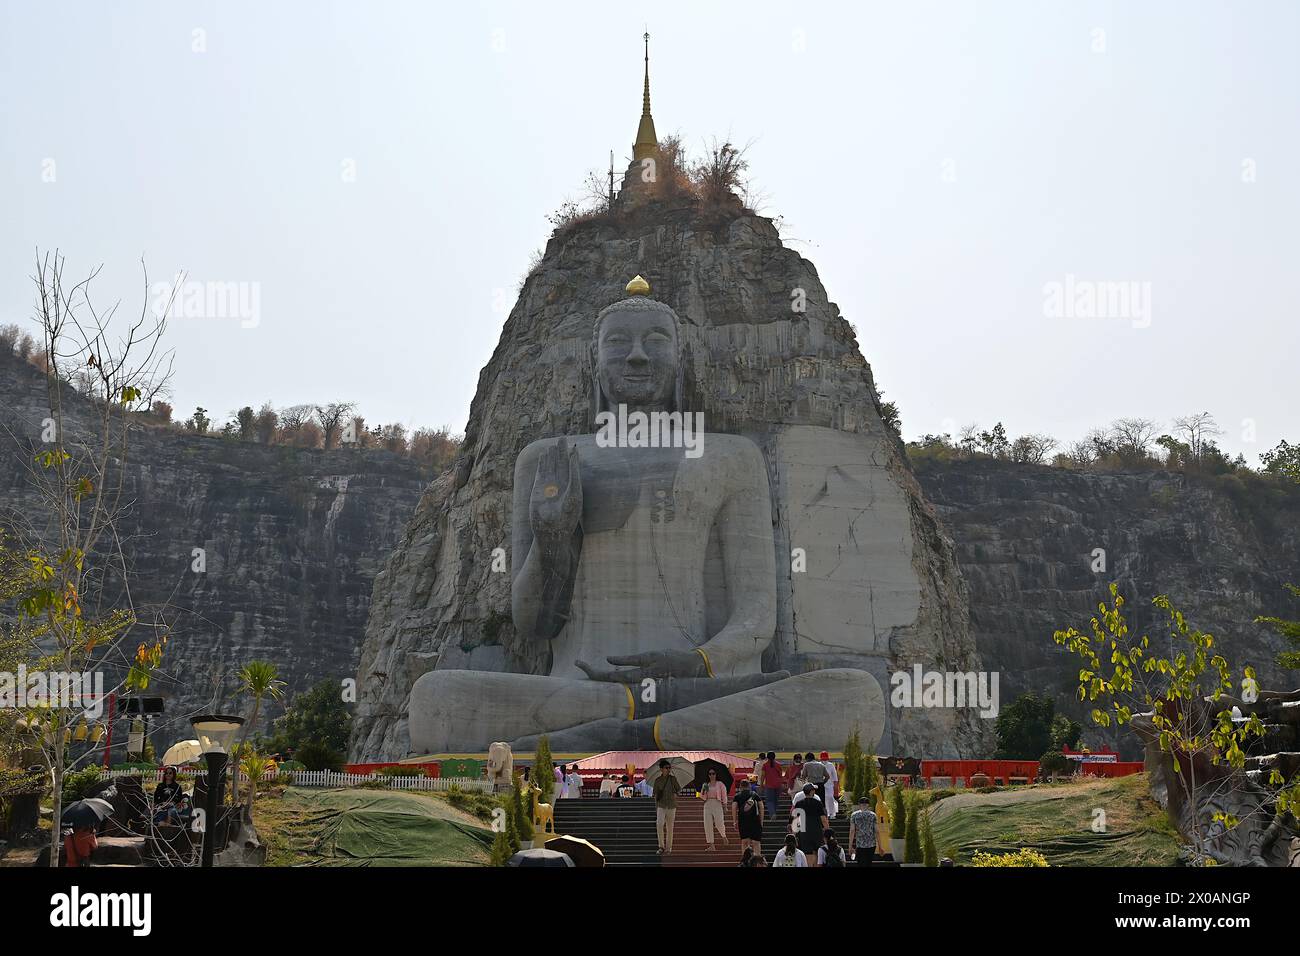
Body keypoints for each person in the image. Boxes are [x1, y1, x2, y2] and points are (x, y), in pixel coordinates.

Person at [792, 783, 827, 857]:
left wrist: (793, 834)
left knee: (808, 854)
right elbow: (823, 819)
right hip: (817, 831)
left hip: (804, 832)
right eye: (814, 790)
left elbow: (795, 821)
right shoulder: (818, 803)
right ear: (811, 792)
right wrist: (827, 831)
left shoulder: (799, 804)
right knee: (818, 854)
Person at [652, 759, 678, 855]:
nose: (668, 769)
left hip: (671, 805)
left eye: (669, 767)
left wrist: (675, 793)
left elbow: (678, 789)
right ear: (661, 769)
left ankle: (668, 847)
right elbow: (655, 794)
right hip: (661, 805)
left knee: (670, 827)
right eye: (666, 768)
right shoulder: (657, 780)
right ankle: (661, 846)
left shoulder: (673, 779)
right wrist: (656, 806)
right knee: (659, 824)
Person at [733, 778, 764, 855]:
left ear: (740, 786)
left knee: (745, 842)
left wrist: (734, 821)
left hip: (743, 821)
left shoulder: (737, 796)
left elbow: (734, 808)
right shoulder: (754, 794)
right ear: (749, 786)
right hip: (755, 820)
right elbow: (761, 807)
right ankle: (757, 862)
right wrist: (761, 820)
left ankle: (745, 861)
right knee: (756, 842)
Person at [701, 768, 729, 851]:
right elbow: (702, 797)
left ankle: (724, 836)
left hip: (717, 803)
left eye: (713, 773)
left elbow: (724, 795)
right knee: (707, 824)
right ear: (708, 775)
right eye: (710, 774)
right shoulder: (706, 784)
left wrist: (725, 806)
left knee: (719, 823)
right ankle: (711, 845)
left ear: (716, 774)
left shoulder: (720, 784)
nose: (712, 775)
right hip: (707, 804)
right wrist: (703, 790)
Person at [848, 794, 878, 866]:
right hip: (871, 844)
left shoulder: (854, 815)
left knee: (861, 863)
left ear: (859, 805)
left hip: (860, 844)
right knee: (869, 863)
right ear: (868, 805)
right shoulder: (873, 815)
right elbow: (877, 831)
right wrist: (880, 846)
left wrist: (850, 846)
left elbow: (852, 831)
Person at [760, 751, 784, 818]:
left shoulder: (765, 765)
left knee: (769, 801)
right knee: (775, 800)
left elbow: (763, 775)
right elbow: (780, 776)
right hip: (778, 785)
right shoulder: (778, 765)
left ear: (767, 757)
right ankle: (774, 812)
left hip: (769, 785)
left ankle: (772, 813)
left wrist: (761, 784)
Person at [820, 751, 839, 818]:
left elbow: (835, 776)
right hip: (820, 785)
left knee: (830, 798)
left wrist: (836, 786)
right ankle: (823, 814)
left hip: (830, 785)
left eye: (825, 759)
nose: (824, 760)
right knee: (822, 799)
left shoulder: (831, 765)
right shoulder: (818, 765)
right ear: (821, 759)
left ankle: (832, 814)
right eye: (823, 759)